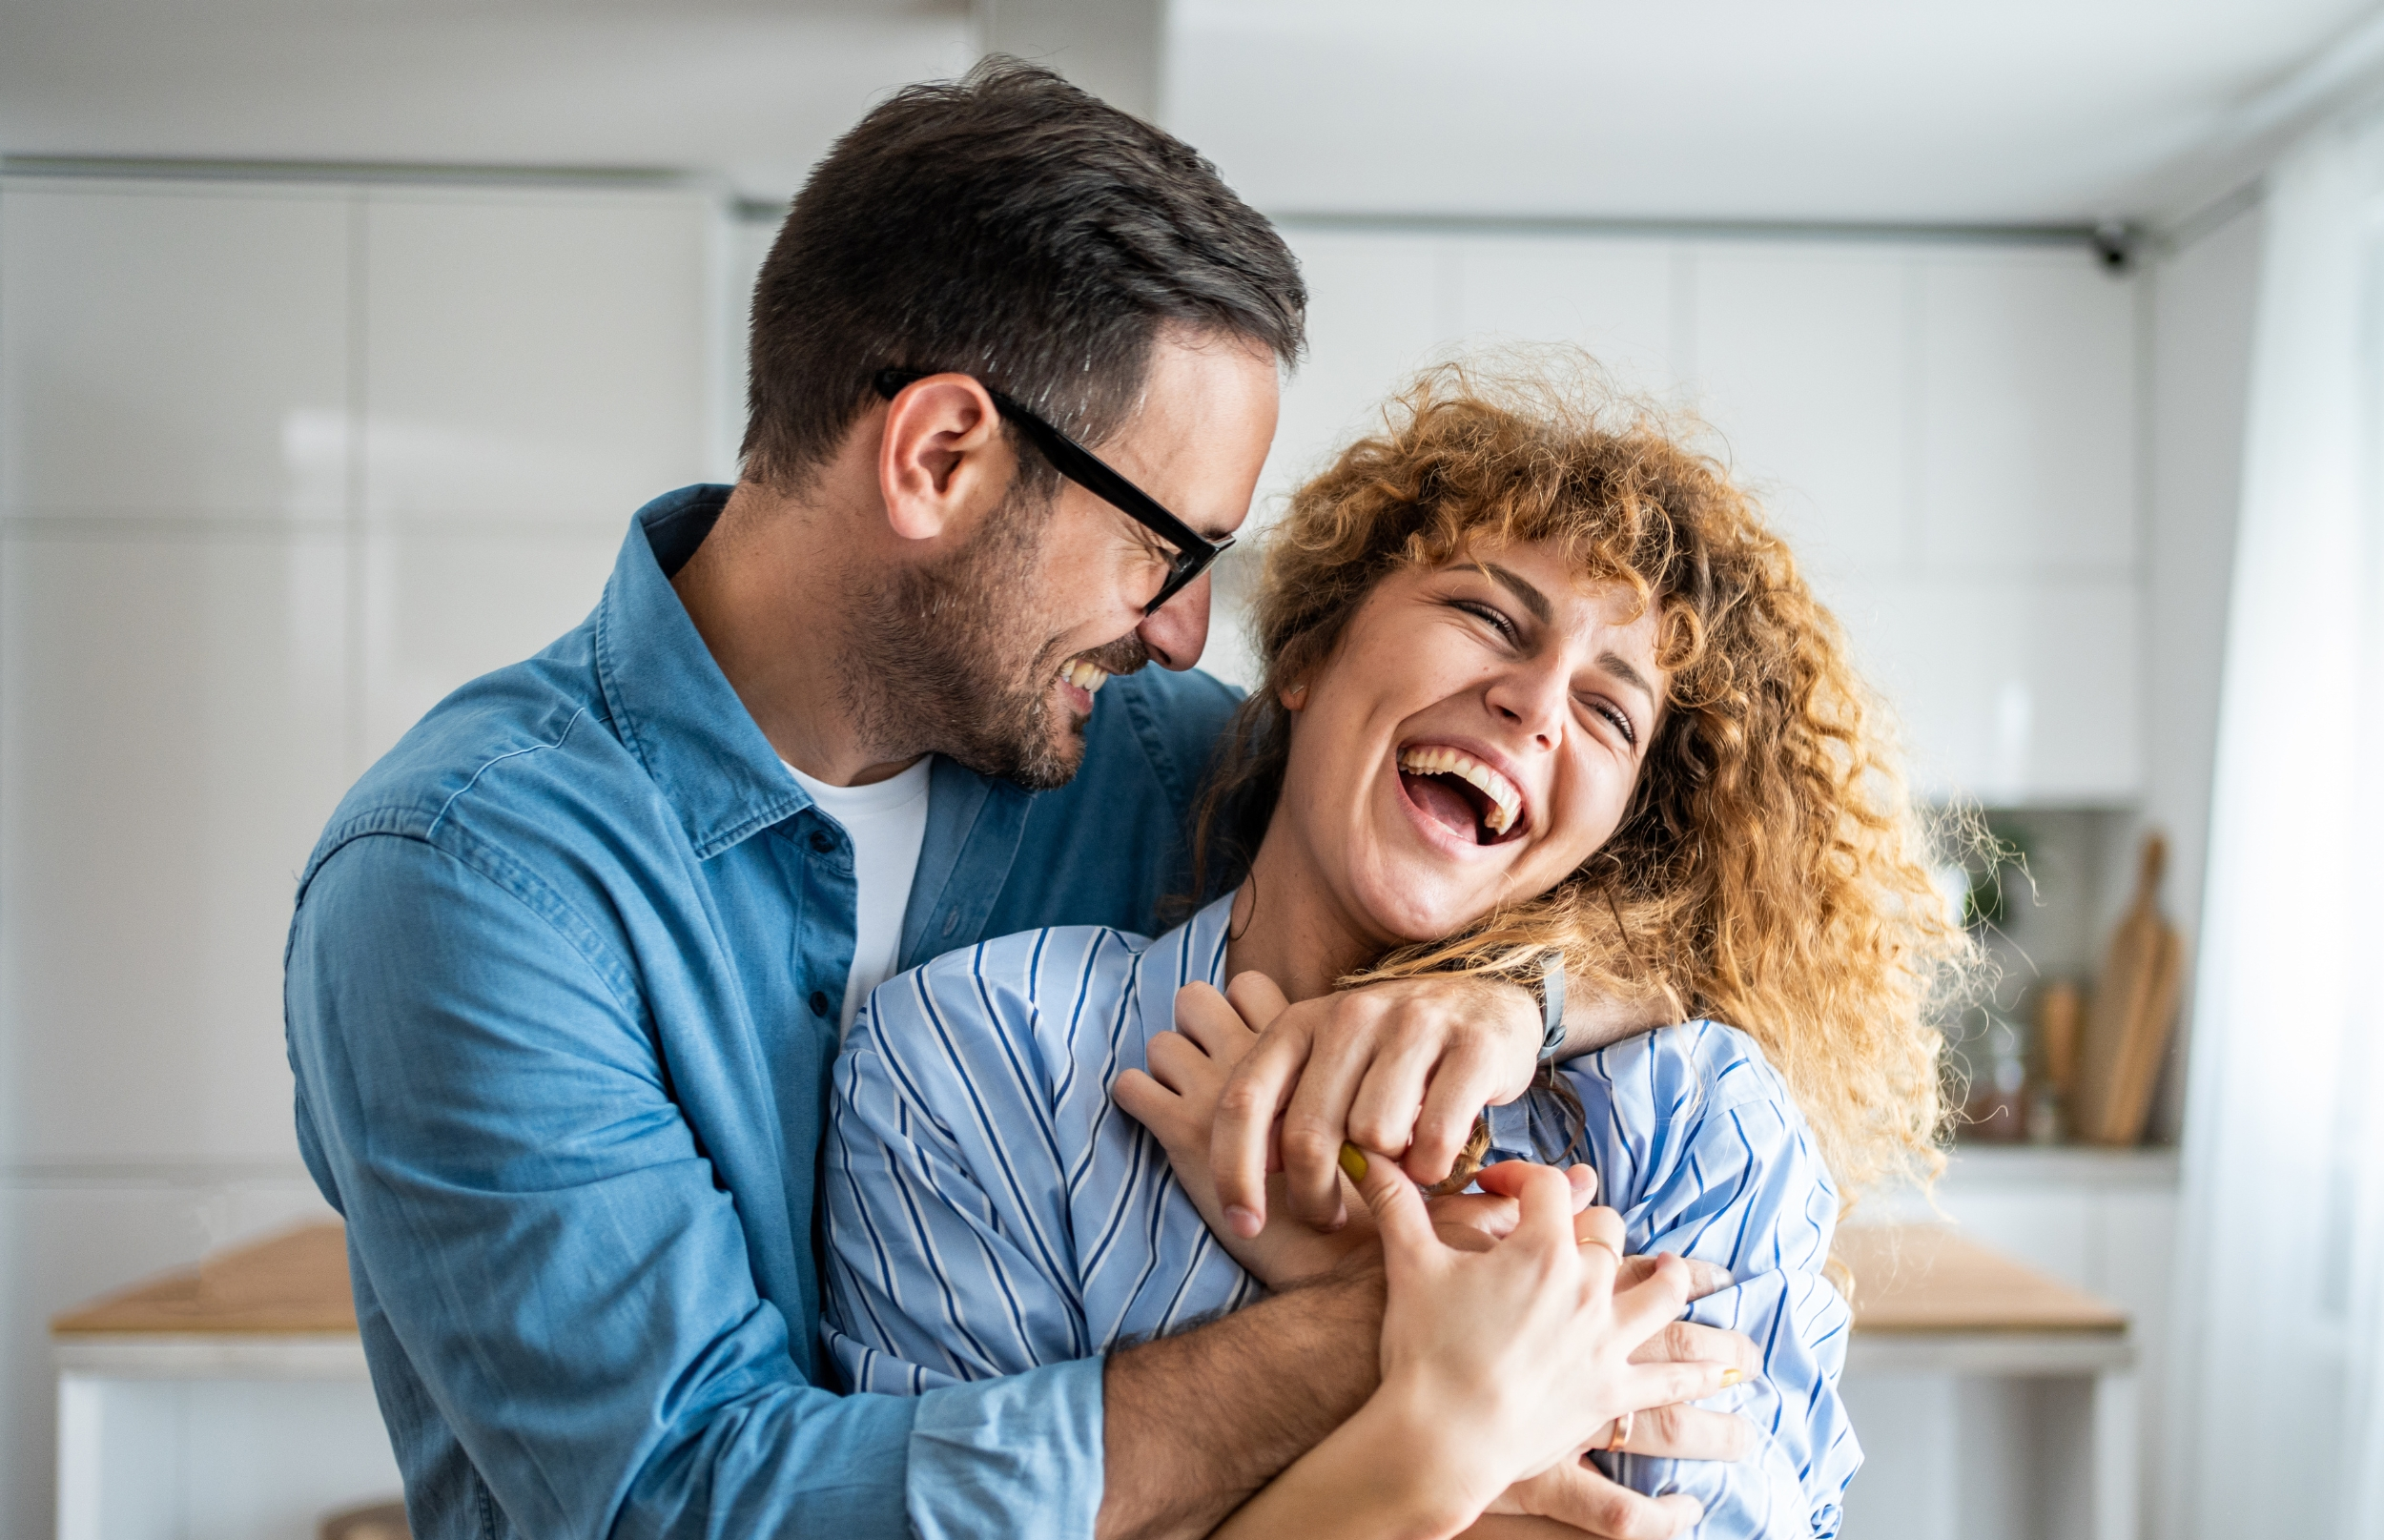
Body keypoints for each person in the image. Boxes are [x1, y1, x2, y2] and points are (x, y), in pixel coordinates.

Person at [284, 63, 1733, 1539]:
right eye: (1165, 546)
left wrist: (1520, 996)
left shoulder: (1151, 753)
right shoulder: (462, 882)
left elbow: (1613, 895)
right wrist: (1400, 1328)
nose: (1181, 630)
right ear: (940, 457)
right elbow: (695, 1503)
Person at [823, 361, 1969, 1538]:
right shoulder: (978, 1058)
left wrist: (1369, 1287)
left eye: (1609, 711)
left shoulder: (1693, 1118)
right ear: (1308, 654)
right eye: (1485, 617)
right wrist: (1451, 1382)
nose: (1533, 705)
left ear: (1621, 820)